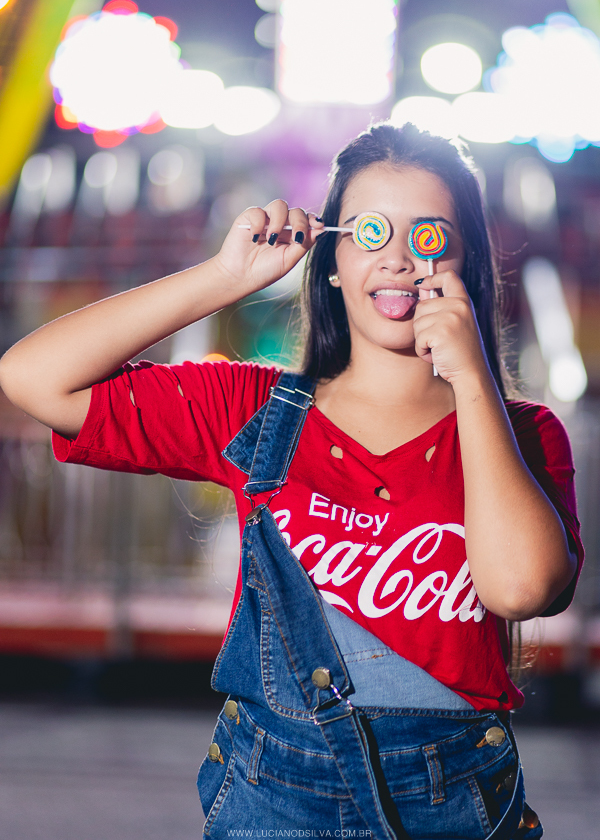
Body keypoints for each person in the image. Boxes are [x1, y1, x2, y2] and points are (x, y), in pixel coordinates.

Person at [0, 123, 582, 839]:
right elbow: (31, 377)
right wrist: (224, 278)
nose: (398, 260)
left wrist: (470, 380)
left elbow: (524, 589)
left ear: (467, 265)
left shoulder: (523, 435)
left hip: (453, 798)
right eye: (370, 232)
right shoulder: (253, 409)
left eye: (429, 237)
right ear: (332, 261)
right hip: (271, 794)